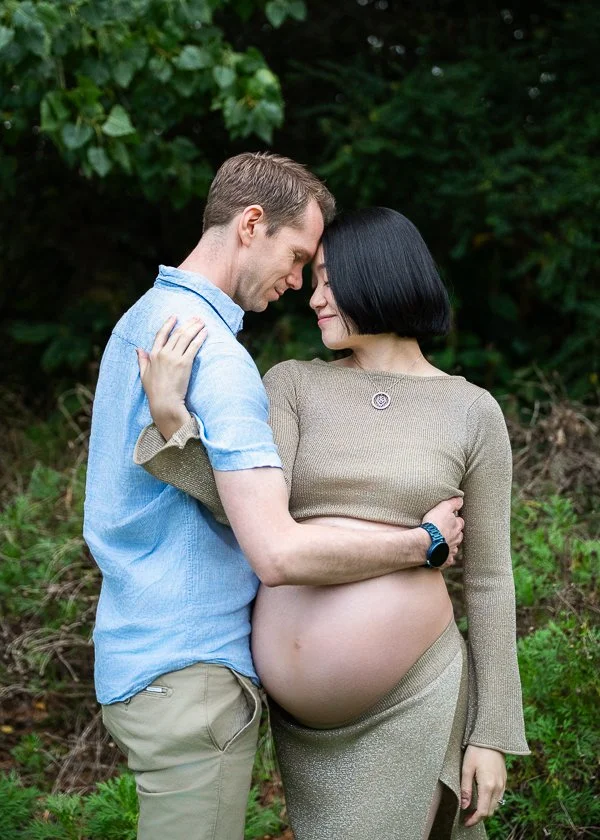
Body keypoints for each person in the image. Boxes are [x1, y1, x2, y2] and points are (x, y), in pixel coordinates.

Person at [83, 156, 465, 840]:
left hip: (143, 657)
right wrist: (422, 544)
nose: (298, 284)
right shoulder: (218, 359)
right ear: (251, 224)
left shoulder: (143, 321)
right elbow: (276, 549)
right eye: (297, 259)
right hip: (187, 668)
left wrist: (176, 430)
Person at [134, 206, 530, 840]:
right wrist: (171, 421)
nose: (312, 296)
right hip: (309, 732)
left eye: (325, 278)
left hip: (415, 701)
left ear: (376, 275)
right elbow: (246, 508)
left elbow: (489, 581)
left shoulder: (472, 412)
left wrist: (492, 734)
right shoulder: (294, 386)